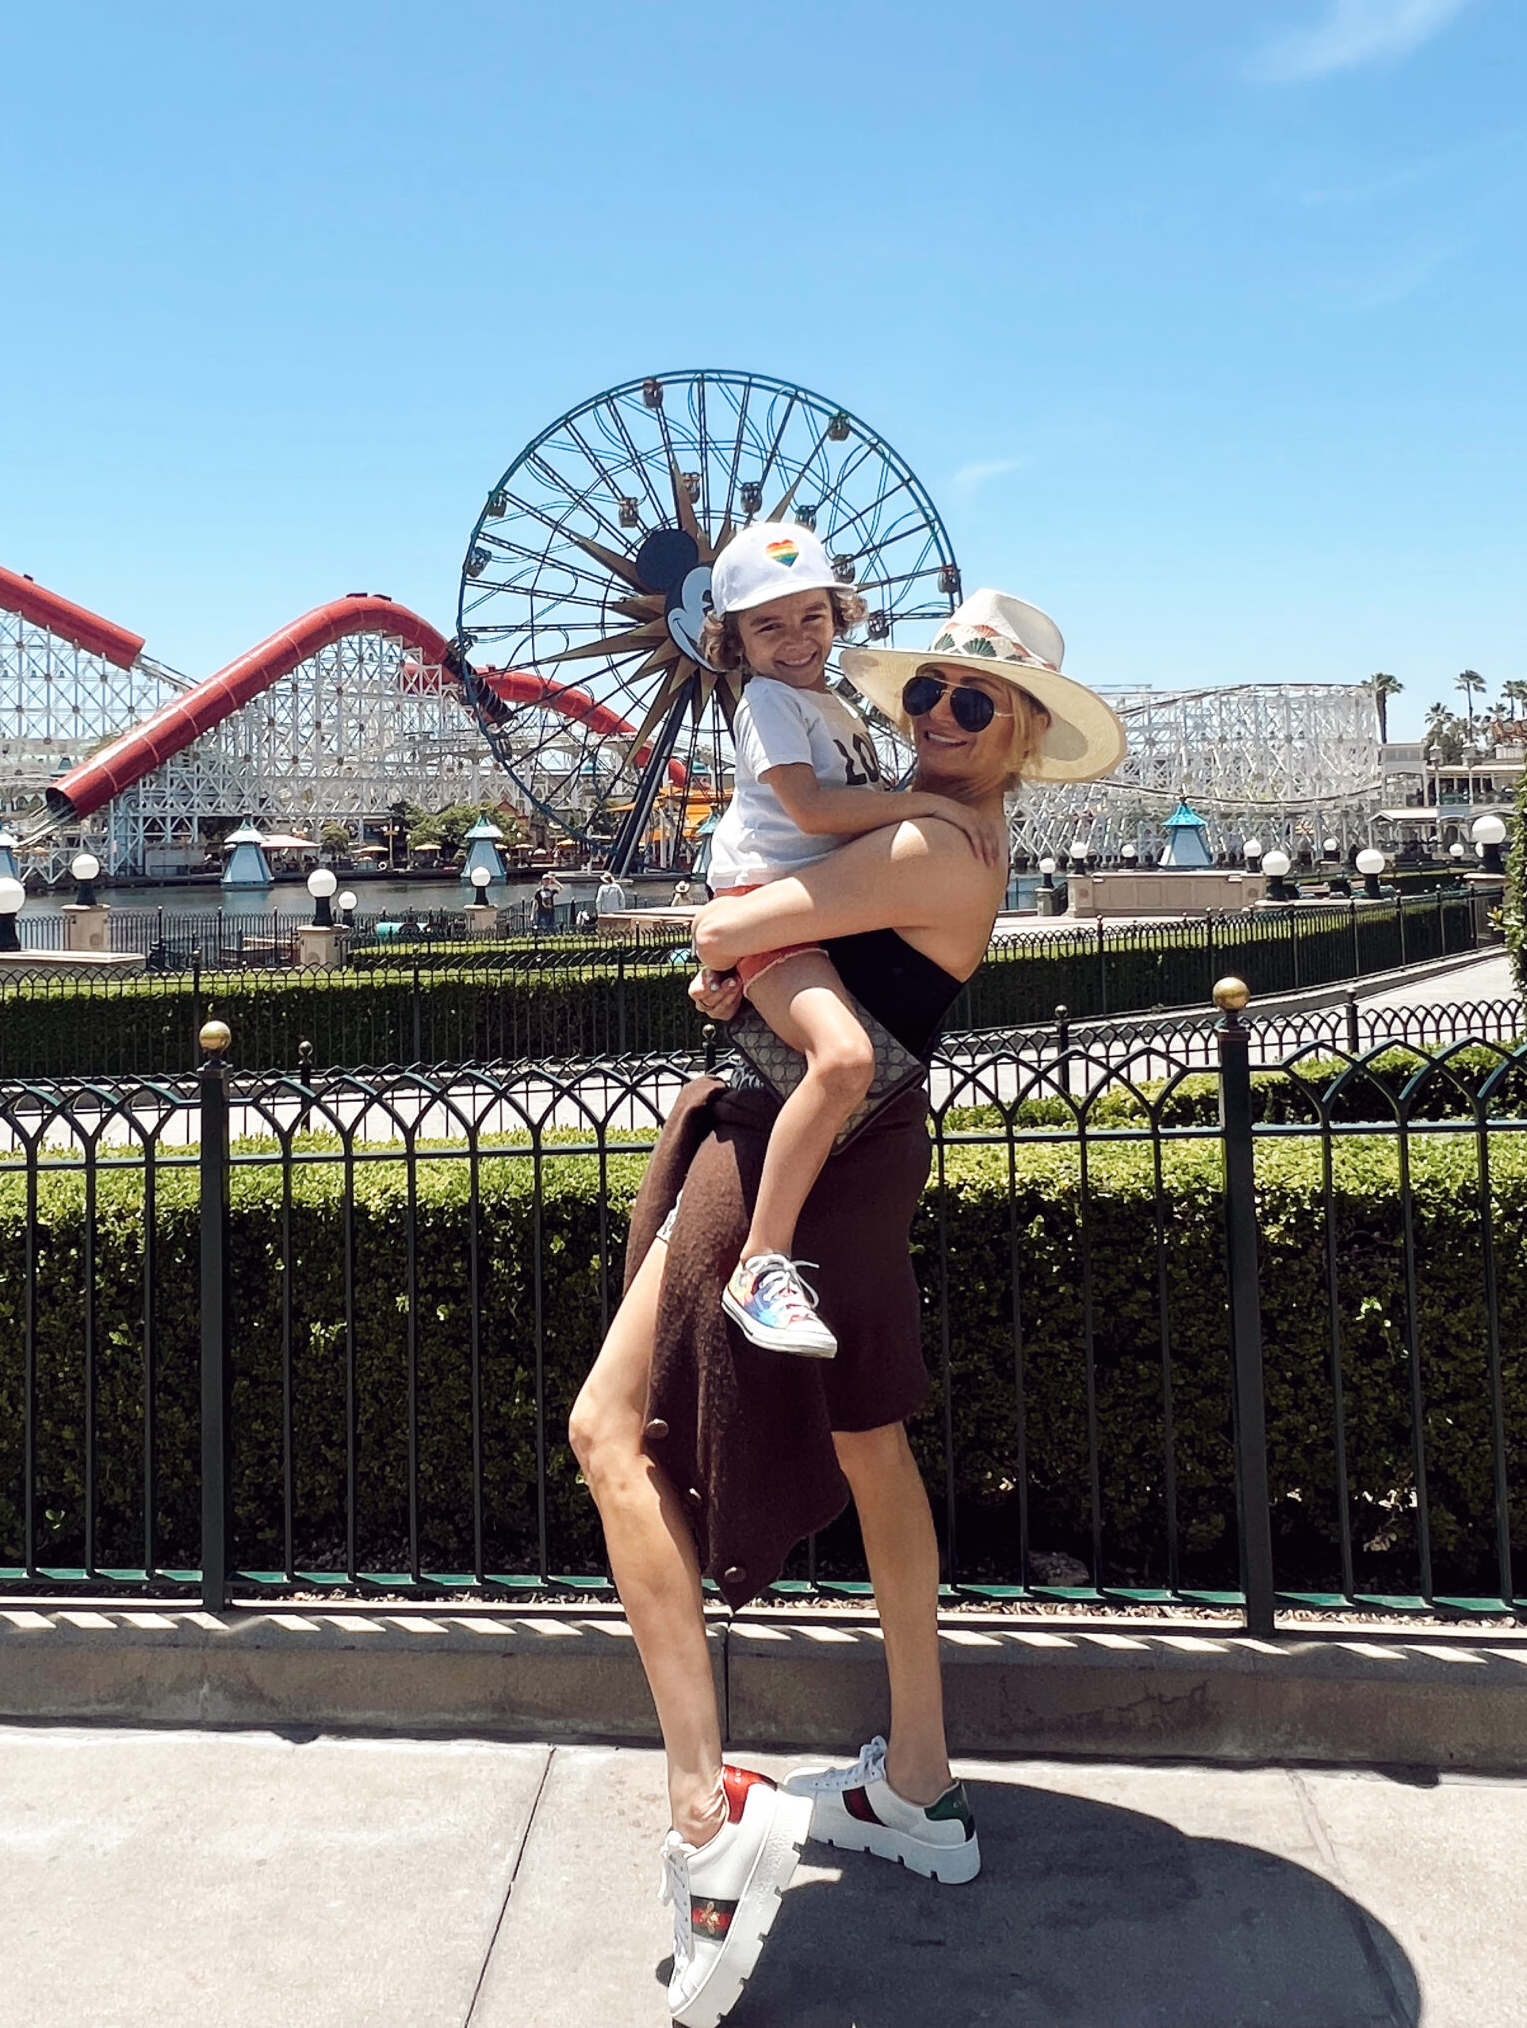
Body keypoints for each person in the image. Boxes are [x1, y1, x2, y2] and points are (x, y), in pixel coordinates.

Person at [569, 588, 1125, 2028]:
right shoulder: (934, 831)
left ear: (1021, 738)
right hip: (868, 1142)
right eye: (930, 690)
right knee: (874, 1442)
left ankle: (707, 1811)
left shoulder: (935, 840)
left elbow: (731, 911)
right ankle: (919, 1784)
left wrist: (724, 948)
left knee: (609, 1432)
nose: (938, 715)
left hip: (789, 1147)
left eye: (973, 702)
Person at [697, 522, 1003, 1361]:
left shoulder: (828, 706)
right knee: (844, 1060)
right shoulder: (766, 703)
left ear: (839, 614)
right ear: (733, 640)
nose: (796, 640)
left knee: (842, 1058)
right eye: (768, 626)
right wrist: (929, 805)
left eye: (811, 618)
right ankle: (760, 1265)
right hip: (763, 901)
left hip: (796, 917)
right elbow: (816, 817)